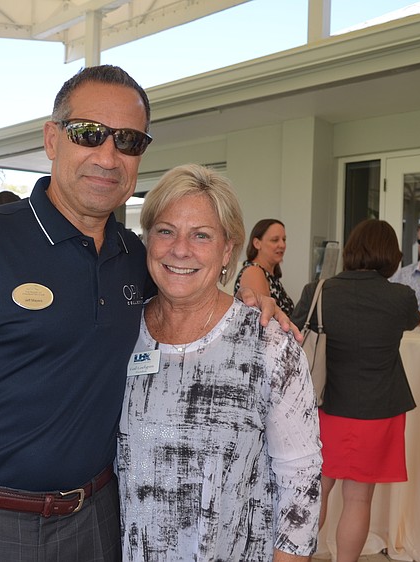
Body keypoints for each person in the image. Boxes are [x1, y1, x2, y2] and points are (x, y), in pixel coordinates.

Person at [0, 65, 293, 562]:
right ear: (52, 138)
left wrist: (256, 303)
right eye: (89, 134)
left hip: (98, 525)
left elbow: (194, 300)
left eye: (127, 141)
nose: (107, 156)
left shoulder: (139, 258)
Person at [118, 164, 321, 561]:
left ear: (228, 249)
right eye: (165, 230)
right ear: (147, 239)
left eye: (201, 236)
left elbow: (301, 479)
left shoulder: (267, 341)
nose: (180, 249)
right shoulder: (122, 332)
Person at [292, 219, 420, 562]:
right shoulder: (401, 296)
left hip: (324, 405)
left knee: (315, 491)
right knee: (359, 499)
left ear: (351, 251)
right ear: (391, 255)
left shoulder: (317, 290)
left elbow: (294, 334)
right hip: (378, 409)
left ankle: (294, 557)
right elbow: (413, 321)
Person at [234, 218, 294, 315]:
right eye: (275, 240)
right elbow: (260, 320)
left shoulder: (269, 275)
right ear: (257, 243)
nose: (282, 245)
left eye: (284, 239)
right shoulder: (254, 272)